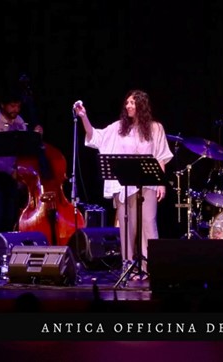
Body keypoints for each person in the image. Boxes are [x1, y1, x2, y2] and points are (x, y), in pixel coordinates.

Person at [74, 90, 173, 277]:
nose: (128, 106)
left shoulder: (155, 128)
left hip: (148, 184)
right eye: (127, 102)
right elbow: (96, 137)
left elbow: (160, 156)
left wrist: (161, 183)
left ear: (141, 106)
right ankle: (129, 266)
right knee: (128, 227)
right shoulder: (119, 127)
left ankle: (151, 267)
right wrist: (83, 117)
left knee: (149, 224)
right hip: (125, 185)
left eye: (132, 103)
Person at [0, 87, 43, 247]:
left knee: (10, 217)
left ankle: (8, 254)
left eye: (18, 106)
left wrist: (35, 136)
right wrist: (10, 171)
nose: (16, 110)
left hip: (13, 178)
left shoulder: (19, 121)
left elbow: (27, 149)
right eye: (12, 106)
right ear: (3, 105)